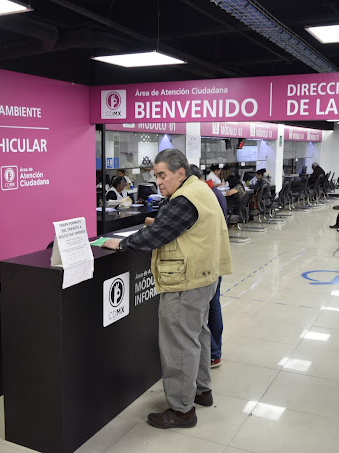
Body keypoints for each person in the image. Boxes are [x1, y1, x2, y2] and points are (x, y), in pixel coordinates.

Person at [101, 149, 232, 429]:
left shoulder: (184, 199)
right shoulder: (199, 188)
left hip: (185, 281)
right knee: (197, 334)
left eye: (162, 175)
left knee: (178, 345)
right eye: (156, 176)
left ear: (180, 173)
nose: (158, 181)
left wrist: (121, 244)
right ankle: (202, 390)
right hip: (205, 275)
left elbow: (157, 234)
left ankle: (182, 410)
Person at [190, 165, 226, 368]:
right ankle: (216, 351)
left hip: (206, 259)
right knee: (214, 305)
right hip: (216, 255)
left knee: (206, 309)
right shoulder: (215, 193)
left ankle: (213, 352)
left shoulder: (202, 197)